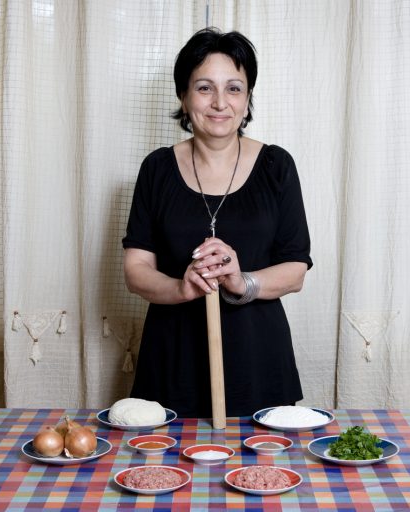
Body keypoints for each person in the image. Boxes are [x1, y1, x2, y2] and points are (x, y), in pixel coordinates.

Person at [122, 28, 312, 418]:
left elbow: (295, 271)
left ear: (247, 97)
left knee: (260, 458)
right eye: (205, 88)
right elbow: (135, 270)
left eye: (234, 89)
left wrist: (242, 283)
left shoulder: (277, 165)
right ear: (183, 95)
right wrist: (182, 287)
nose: (220, 102)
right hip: (171, 362)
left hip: (259, 361)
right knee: (165, 457)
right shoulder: (156, 168)